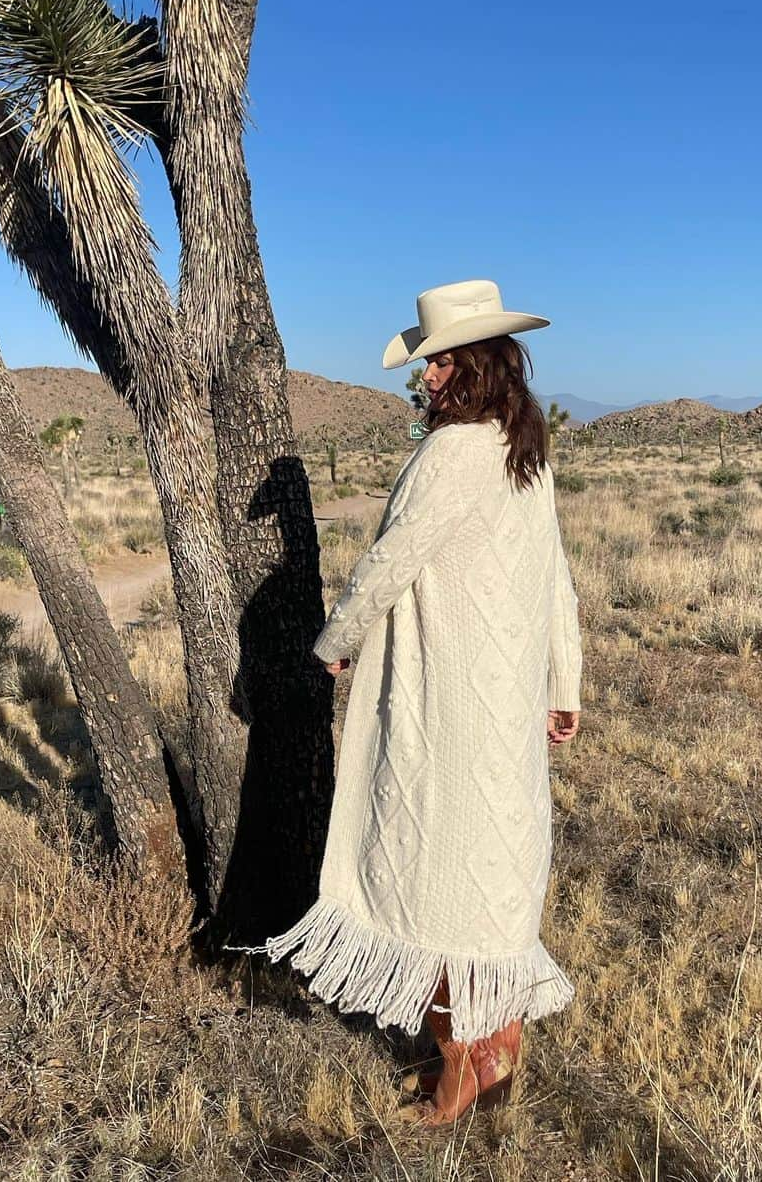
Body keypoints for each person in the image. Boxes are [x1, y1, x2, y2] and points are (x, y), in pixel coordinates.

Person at [255, 279, 582, 1125]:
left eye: (439, 361)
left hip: (447, 704)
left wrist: (333, 646)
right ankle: (493, 1056)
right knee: (494, 878)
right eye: (429, 362)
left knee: (436, 881)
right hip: (507, 703)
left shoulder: (453, 454)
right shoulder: (525, 450)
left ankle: (457, 1067)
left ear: (476, 362)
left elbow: (391, 561)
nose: (428, 376)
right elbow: (556, 581)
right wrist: (564, 681)